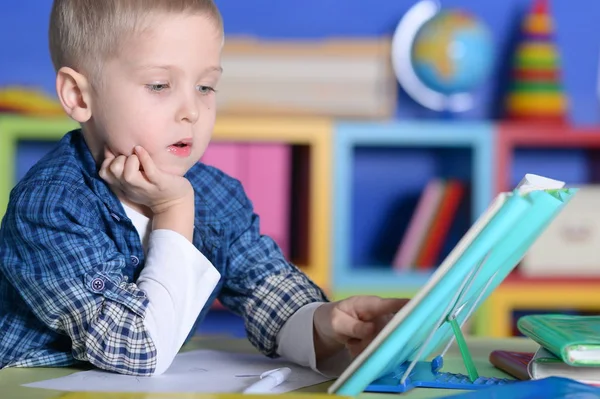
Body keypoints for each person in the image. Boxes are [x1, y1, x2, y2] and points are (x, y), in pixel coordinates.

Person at [0, 0, 409, 377]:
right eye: (160, 85)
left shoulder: (214, 194)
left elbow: (267, 289)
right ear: (78, 95)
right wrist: (174, 210)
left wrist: (328, 323)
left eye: (206, 86)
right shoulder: (50, 207)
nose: (192, 111)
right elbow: (141, 349)